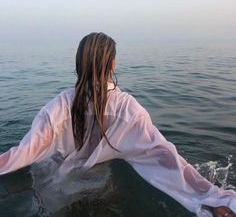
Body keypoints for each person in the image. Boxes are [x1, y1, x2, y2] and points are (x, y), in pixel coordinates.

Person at [0, 32, 235, 217]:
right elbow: (164, 155)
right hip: (99, 185)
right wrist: (210, 198)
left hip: (56, 188)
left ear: (78, 63)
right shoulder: (126, 109)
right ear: (112, 64)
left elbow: (22, 154)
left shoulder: (55, 108)